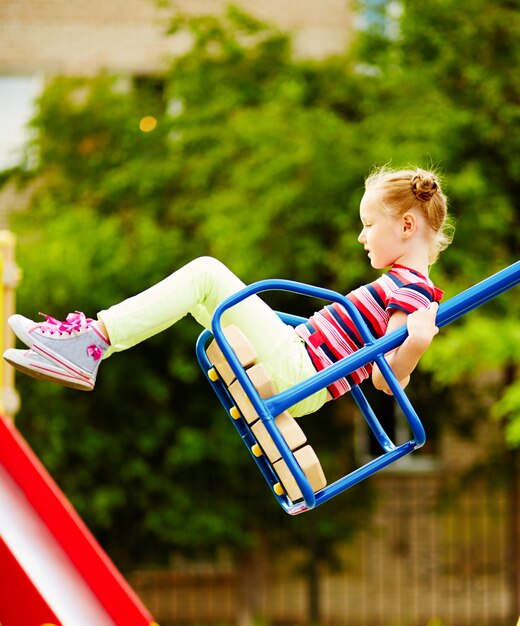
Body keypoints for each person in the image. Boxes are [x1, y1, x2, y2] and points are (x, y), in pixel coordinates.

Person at [3, 166, 453, 417]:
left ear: (407, 226)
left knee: (205, 273)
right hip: (300, 357)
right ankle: (90, 345)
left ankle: (91, 342)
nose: (361, 236)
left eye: (369, 225)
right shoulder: (403, 285)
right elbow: (382, 367)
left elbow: (386, 377)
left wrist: (415, 343)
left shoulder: (412, 290)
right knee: (201, 290)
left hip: (302, 369)